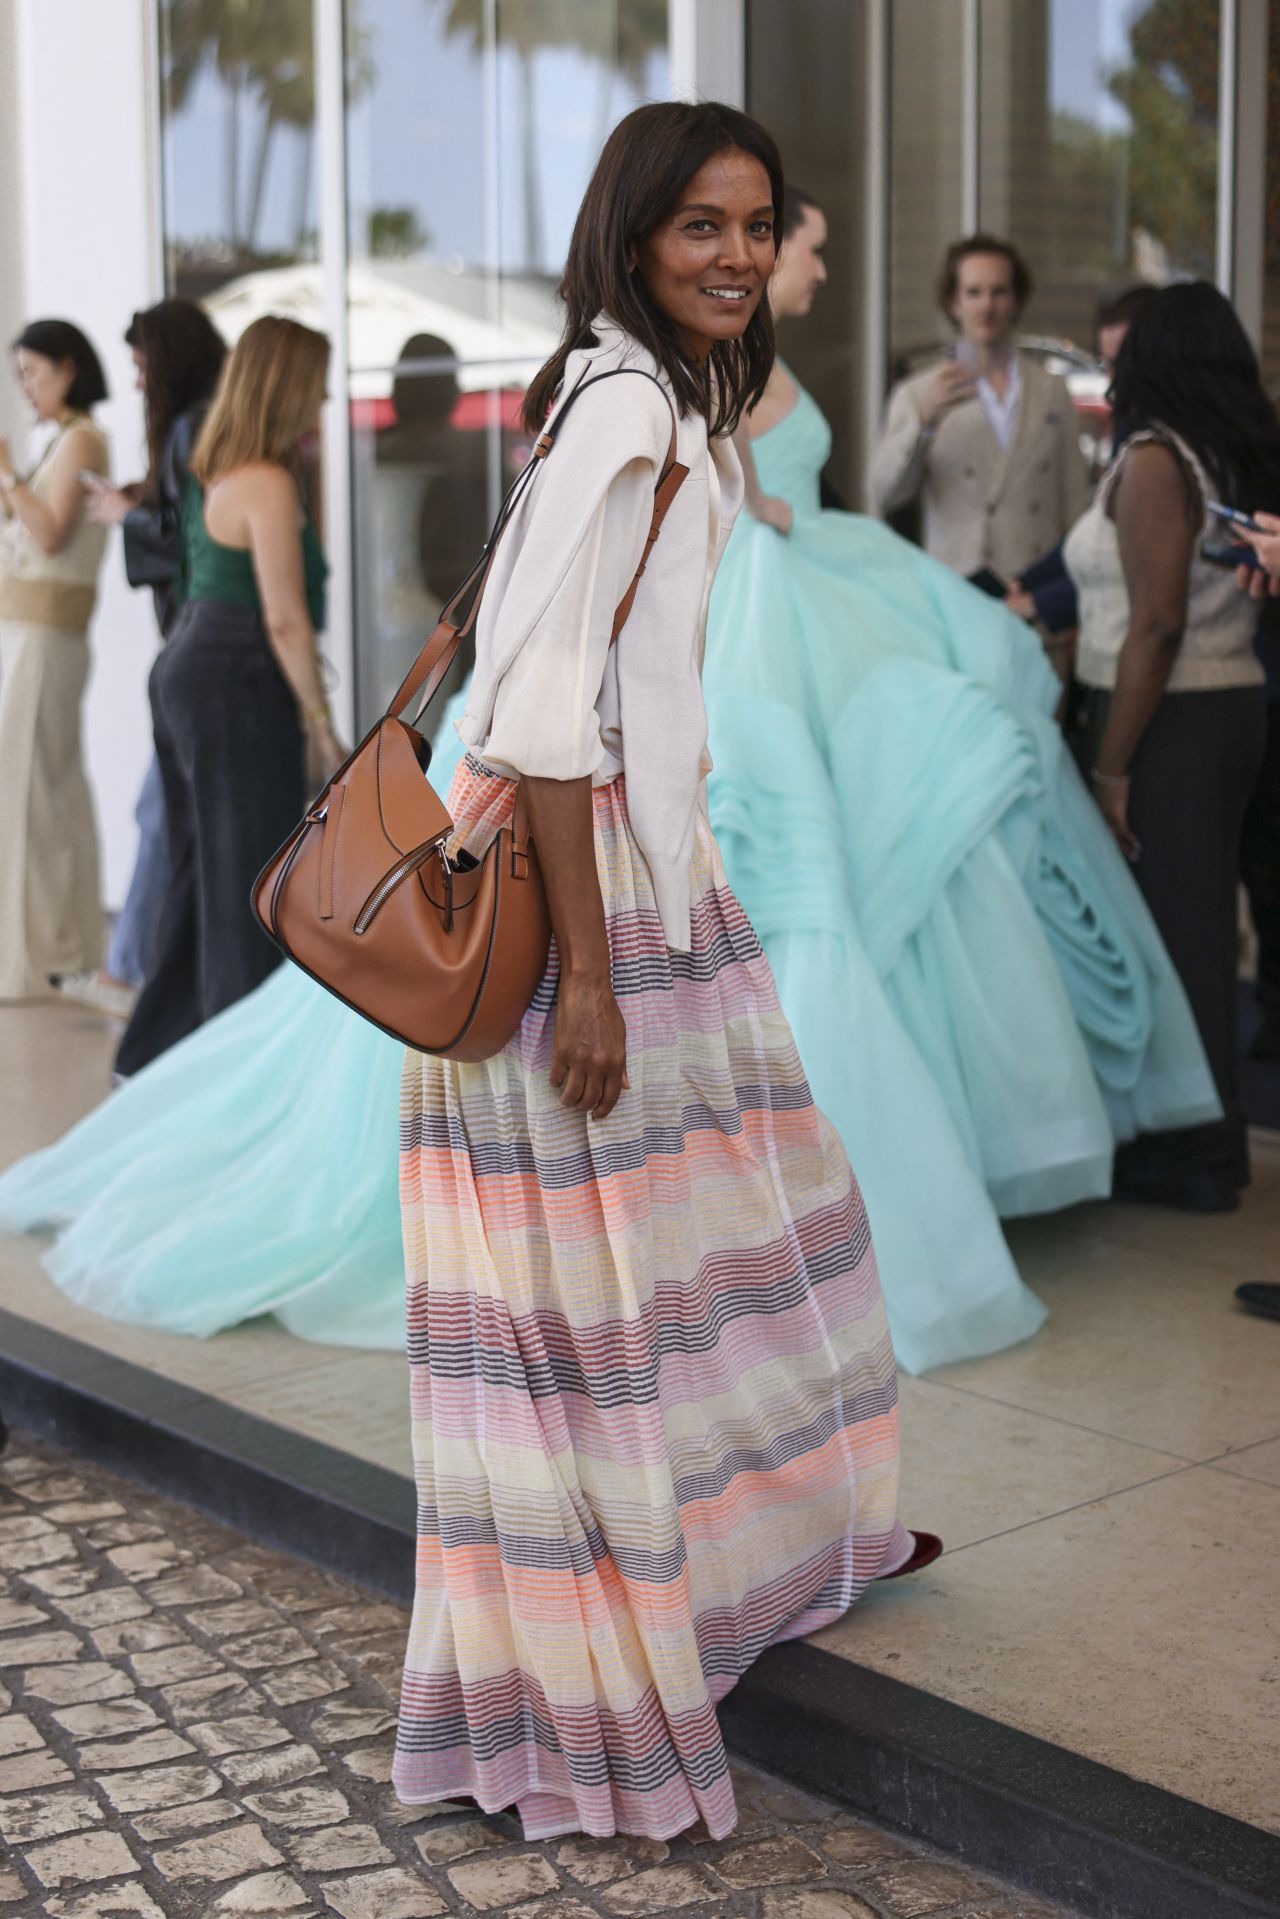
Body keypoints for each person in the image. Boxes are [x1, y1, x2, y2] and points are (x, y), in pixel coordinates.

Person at [393, 99, 929, 1842]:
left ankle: (719, 1575)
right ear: (632, 236)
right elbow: (537, 708)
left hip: (641, 870)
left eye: (757, 225)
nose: (735, 254)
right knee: (612, 1289)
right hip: (581, 895)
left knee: (701, 1259)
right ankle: (592, 1667)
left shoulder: (646, 398)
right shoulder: (627, 404)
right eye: (699, 224)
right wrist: (605, 980)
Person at [702, 189, 1219, 1371]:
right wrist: (763, 511)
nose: (824, 269)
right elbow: (729, 492)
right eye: (816, 249)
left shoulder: (762, 354)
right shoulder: (717, 361)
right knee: (838, 844)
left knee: (944, 809)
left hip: (825, 579)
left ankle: (961, 1134)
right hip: (776, 604)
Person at [1068, 282, 1280, 1212]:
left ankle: (1191, 1152)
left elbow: (1154, 624)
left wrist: (1111, 766)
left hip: (1170, 715)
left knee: (1174, 936)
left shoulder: (1158, 459)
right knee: (1194, 926)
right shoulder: (1232, 450)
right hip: (1228, 701)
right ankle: (1207, 1142)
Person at [114, 315, 342, 1078]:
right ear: (287, 389)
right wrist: (321, 725)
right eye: (316, 384)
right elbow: (282, 616)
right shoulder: (268, 481)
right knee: (249, 881)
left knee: (203, 871)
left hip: (190, 669)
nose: (325, 399)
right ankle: (237, 1065)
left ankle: (161, 1052)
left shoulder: (224, 467)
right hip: (233, 678)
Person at [58, 299, 228, 1020]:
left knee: (160, 812)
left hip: (197, 646)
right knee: (161, 810)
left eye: (140, 365)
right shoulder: (204, 419)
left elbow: (196, 538)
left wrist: (129, 514)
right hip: (202, 647)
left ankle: (130, 970)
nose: (135, 381)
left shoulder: (190, 422)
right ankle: (136, 966)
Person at [867, 234, 1090, 581]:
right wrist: (924, 423)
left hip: (1036, 587)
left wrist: (1071, 591)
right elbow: (885, 492)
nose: (987, 306)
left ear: (1016, 301)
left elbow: (1074, 501)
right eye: (973, 293)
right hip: (958, 586)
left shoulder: (1051, 390)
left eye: (999, 291)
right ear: (953, 303)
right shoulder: (920, 392)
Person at [0, 320, 110, 1001]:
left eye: (34, 373)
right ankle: (52, 951)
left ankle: (44, 957)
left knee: (35, 797)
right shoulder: (61, 444)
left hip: (45, 640)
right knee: (38, 794)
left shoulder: (83, 439)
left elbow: (49, 529)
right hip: (32, 637)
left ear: (69, 369)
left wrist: (9, 478)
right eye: (20, 376)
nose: (27, 388)